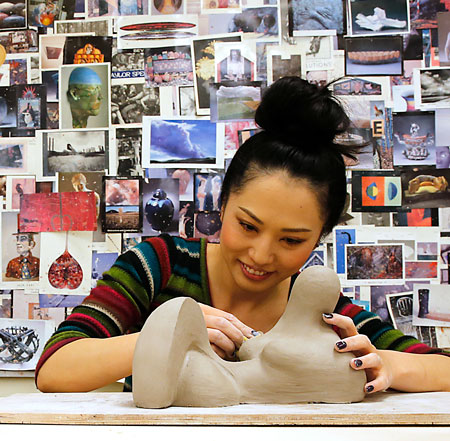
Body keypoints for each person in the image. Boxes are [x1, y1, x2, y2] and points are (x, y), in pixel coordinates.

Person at [36, 77, 450, 395]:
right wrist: (167, 334)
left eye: (292, 240)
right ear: (222, 205)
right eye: (247, 226)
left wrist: (389, 366)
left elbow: (442, 368)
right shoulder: (158, 265)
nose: (261, 254)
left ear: (321, 236)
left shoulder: (322, 314)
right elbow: (54, 369)